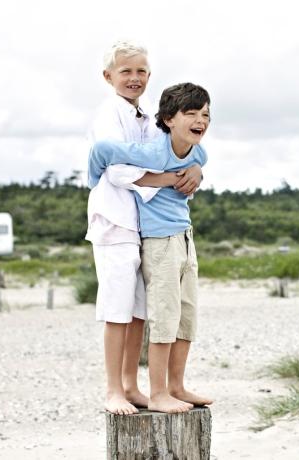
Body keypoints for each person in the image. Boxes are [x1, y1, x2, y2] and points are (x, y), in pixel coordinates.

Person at [87, 41, 202, 416]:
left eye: (141, 71)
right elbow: (118, 171)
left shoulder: (145, 117)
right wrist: (170, 180)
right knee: (117, 307)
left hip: (140, 225)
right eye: (126, 71)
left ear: (149, 75)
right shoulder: (109, 114)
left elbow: (171, 147)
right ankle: (112, 390)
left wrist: (195, 168)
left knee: (138, 310)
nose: (134, 78)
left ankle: (130, 385)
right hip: (114, 221)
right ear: (109, 77)